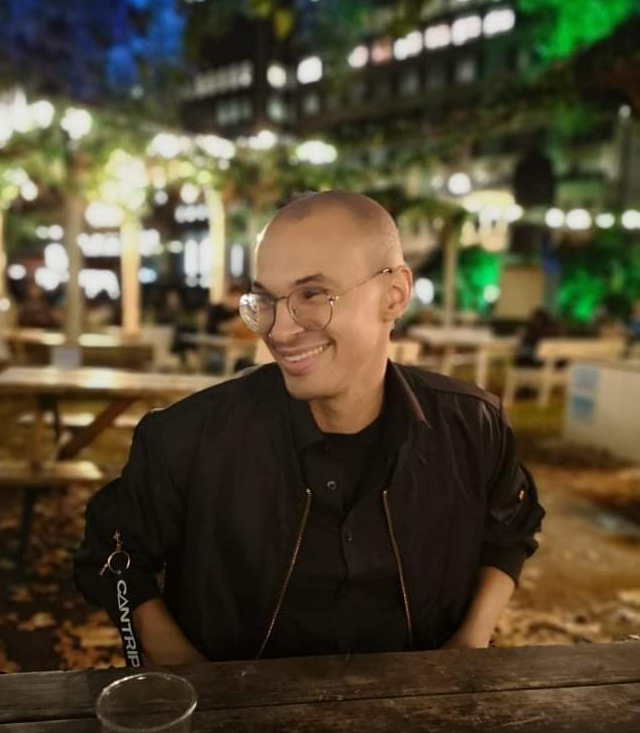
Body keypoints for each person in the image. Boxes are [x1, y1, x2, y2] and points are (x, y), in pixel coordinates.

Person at [75, 191, 544, 666]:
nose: (278, 330)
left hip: (421, 718)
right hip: (235, 723)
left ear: (395, 295)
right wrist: (181, 667)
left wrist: (469, 642)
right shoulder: (187, 439)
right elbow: (112, 556)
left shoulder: (471, 428)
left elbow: (510, 531)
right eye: (265, 300)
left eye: (312, 295)